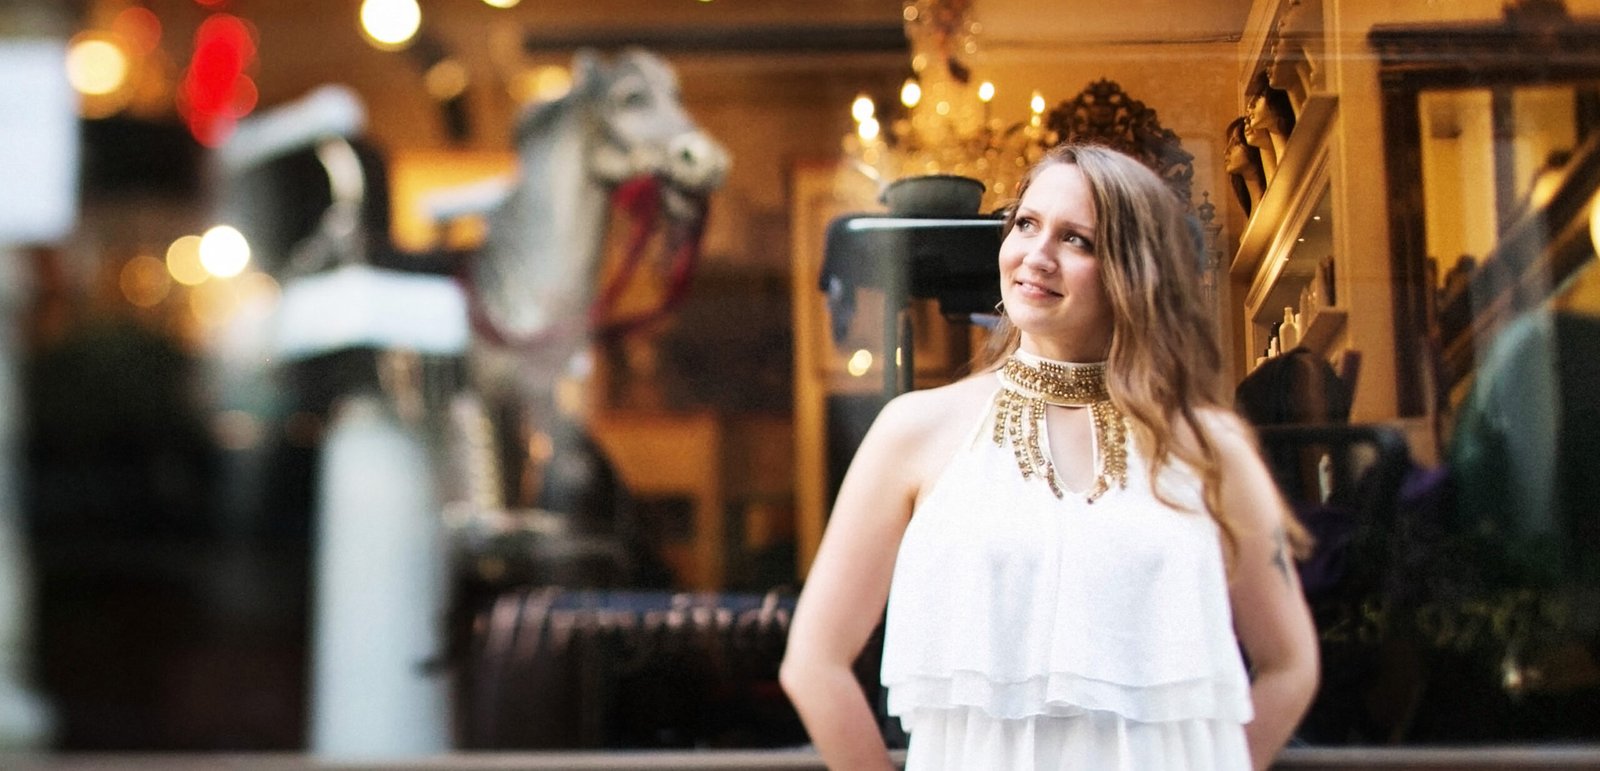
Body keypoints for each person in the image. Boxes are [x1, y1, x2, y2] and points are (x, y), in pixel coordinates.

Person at [780, 142, 1319, 770]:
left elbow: (1290, 665)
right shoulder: (914, 431)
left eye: (1076, 240)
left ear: (1135, 270)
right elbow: (814, 664)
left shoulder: (1209, 446)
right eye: (1026, 224)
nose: (1036, 256)